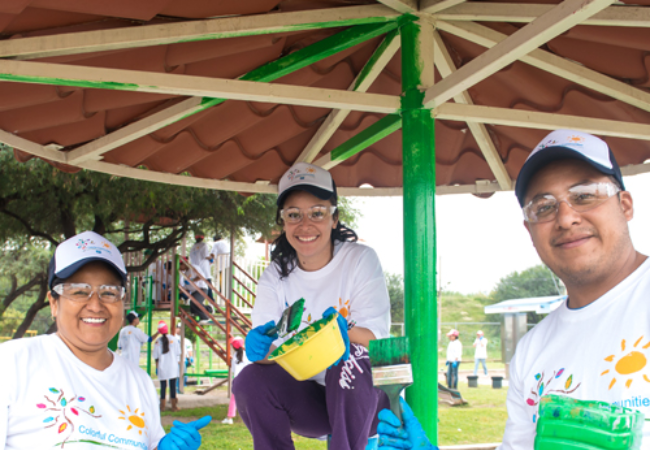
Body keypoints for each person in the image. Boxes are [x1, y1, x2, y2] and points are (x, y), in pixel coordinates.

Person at [378, 129, 650, 449]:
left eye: (584, 195)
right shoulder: (532, 350)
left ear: (626, 205)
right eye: (543, 207)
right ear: (529, 229)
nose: (565, 217)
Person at [0, 230, 210, 449]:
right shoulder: (11, 364)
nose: (95, 305)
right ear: (54, 302)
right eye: (79, 291)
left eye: (109, 292)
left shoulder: (139, 382)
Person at [233, 162, 391, 450]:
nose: (305, 225)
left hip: (365, 400)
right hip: (310, 402)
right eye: (294, 215)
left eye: (317, 213)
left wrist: (342, 332)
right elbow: (271, 354)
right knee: (248, 381)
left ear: (334, 218)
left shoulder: (360, 260)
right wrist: (260, 351)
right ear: (283, 221)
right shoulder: (274, 275)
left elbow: (378, 342)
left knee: (350, 356)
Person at [153, 320, 182, 412]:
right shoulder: (174, 339)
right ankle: (174, 406)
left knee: (163, 387)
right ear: (167, 329)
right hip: (173, 367)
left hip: (162, 367)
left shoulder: (158, 341)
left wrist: (157, 367)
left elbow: (156, 356)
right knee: (173, 386)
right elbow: (178, 353)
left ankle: (162, 406)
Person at [222, 337, 250, 425]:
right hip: (247, 379)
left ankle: (230, 417)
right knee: (249, 399)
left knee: (234, 399)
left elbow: (234, 370)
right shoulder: (247, 354)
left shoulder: (235, 356)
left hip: (238, 380)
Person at [189, 233, 213, 300]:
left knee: (197, 286)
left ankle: (197, 299)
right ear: (203, 238)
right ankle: (212, 301)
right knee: (208, 285)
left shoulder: (193, 246)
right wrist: (211, 259)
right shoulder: (204, 245)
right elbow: (206, 255)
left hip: (195, 268)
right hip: (203, 268)